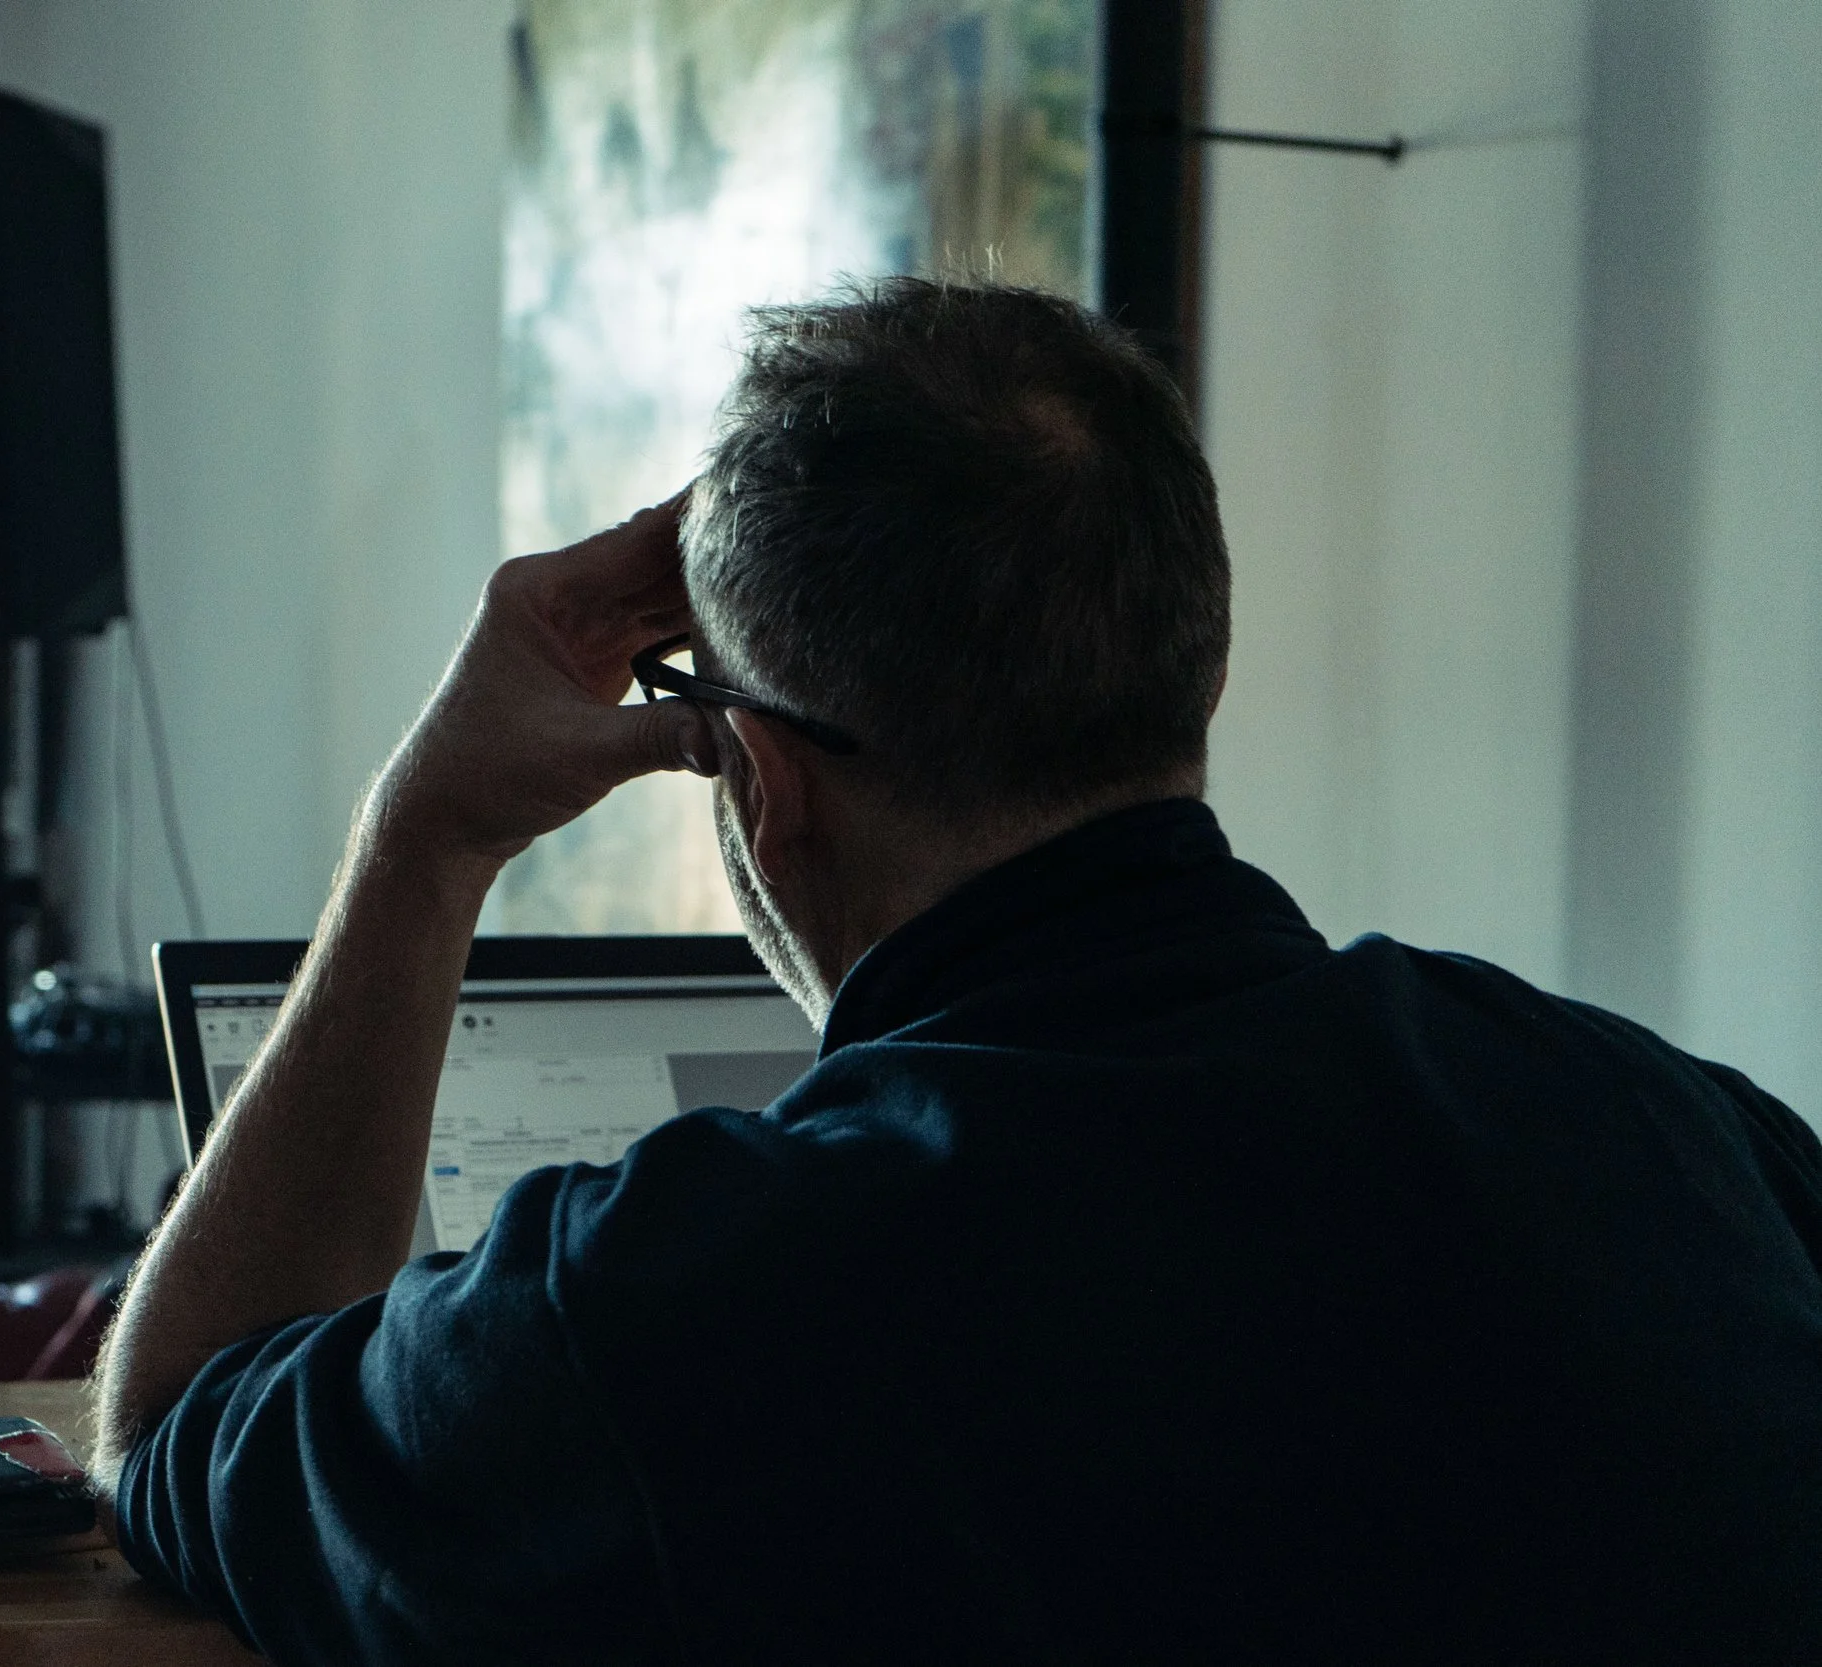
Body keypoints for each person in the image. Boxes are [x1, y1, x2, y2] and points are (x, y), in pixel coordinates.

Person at [91, 280, 1822, 1664]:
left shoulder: (663, 1318)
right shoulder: (1698, 1147)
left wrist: (424, 835)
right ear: (1186, 674)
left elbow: (172, 1427)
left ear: (761, 786)